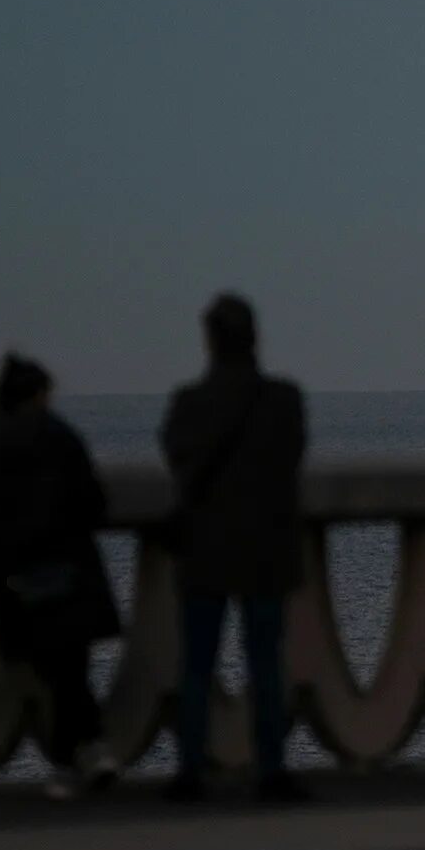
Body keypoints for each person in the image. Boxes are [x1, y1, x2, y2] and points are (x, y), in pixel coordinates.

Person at [159, 294, 308, 802]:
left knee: (197, 665)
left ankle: (189, 772)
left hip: (205, 550)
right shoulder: (283, 401)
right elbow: (291, 456)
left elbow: (176, 457)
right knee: (265, 663)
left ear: (209, 341)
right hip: (266, 549)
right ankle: (271, 770)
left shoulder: (189, 405)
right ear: (254, 338)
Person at [0, 354, 121, 800]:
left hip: (19, 577)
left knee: (60, 672)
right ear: (39, 395)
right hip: (68, 572)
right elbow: (93, 501)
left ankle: (78, 759)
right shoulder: (60, 436)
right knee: (70, 669)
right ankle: (82, 757)